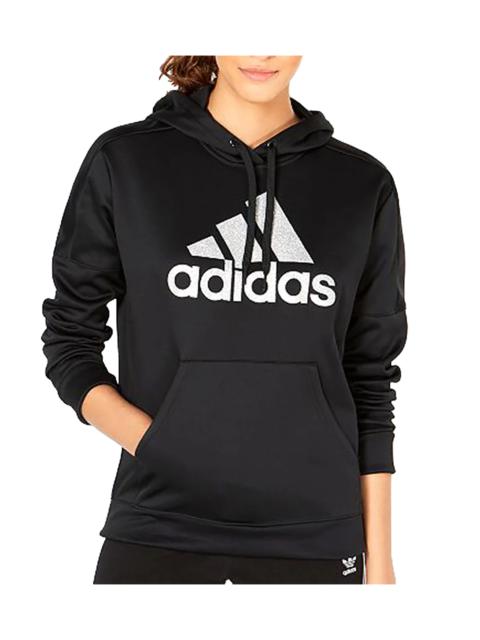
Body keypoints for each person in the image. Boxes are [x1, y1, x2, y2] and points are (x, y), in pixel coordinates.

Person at [40, 55, 407, 584]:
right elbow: (70, 341)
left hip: (314, 533)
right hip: (160, 521)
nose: (262, 51)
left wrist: (382, 559)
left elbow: (370, 377)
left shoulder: (361, 185)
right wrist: (159, 445)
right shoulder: (128, 161)